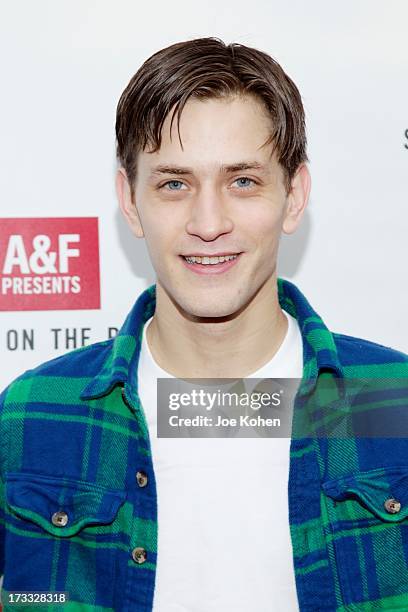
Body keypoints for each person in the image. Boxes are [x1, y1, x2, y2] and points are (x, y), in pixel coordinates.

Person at [0, 36, 407, 612]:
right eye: (174, 183)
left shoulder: (395, 400)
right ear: (130, 200)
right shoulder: (29, 417)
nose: (208, 223)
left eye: (242, 181)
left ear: (295, 195)